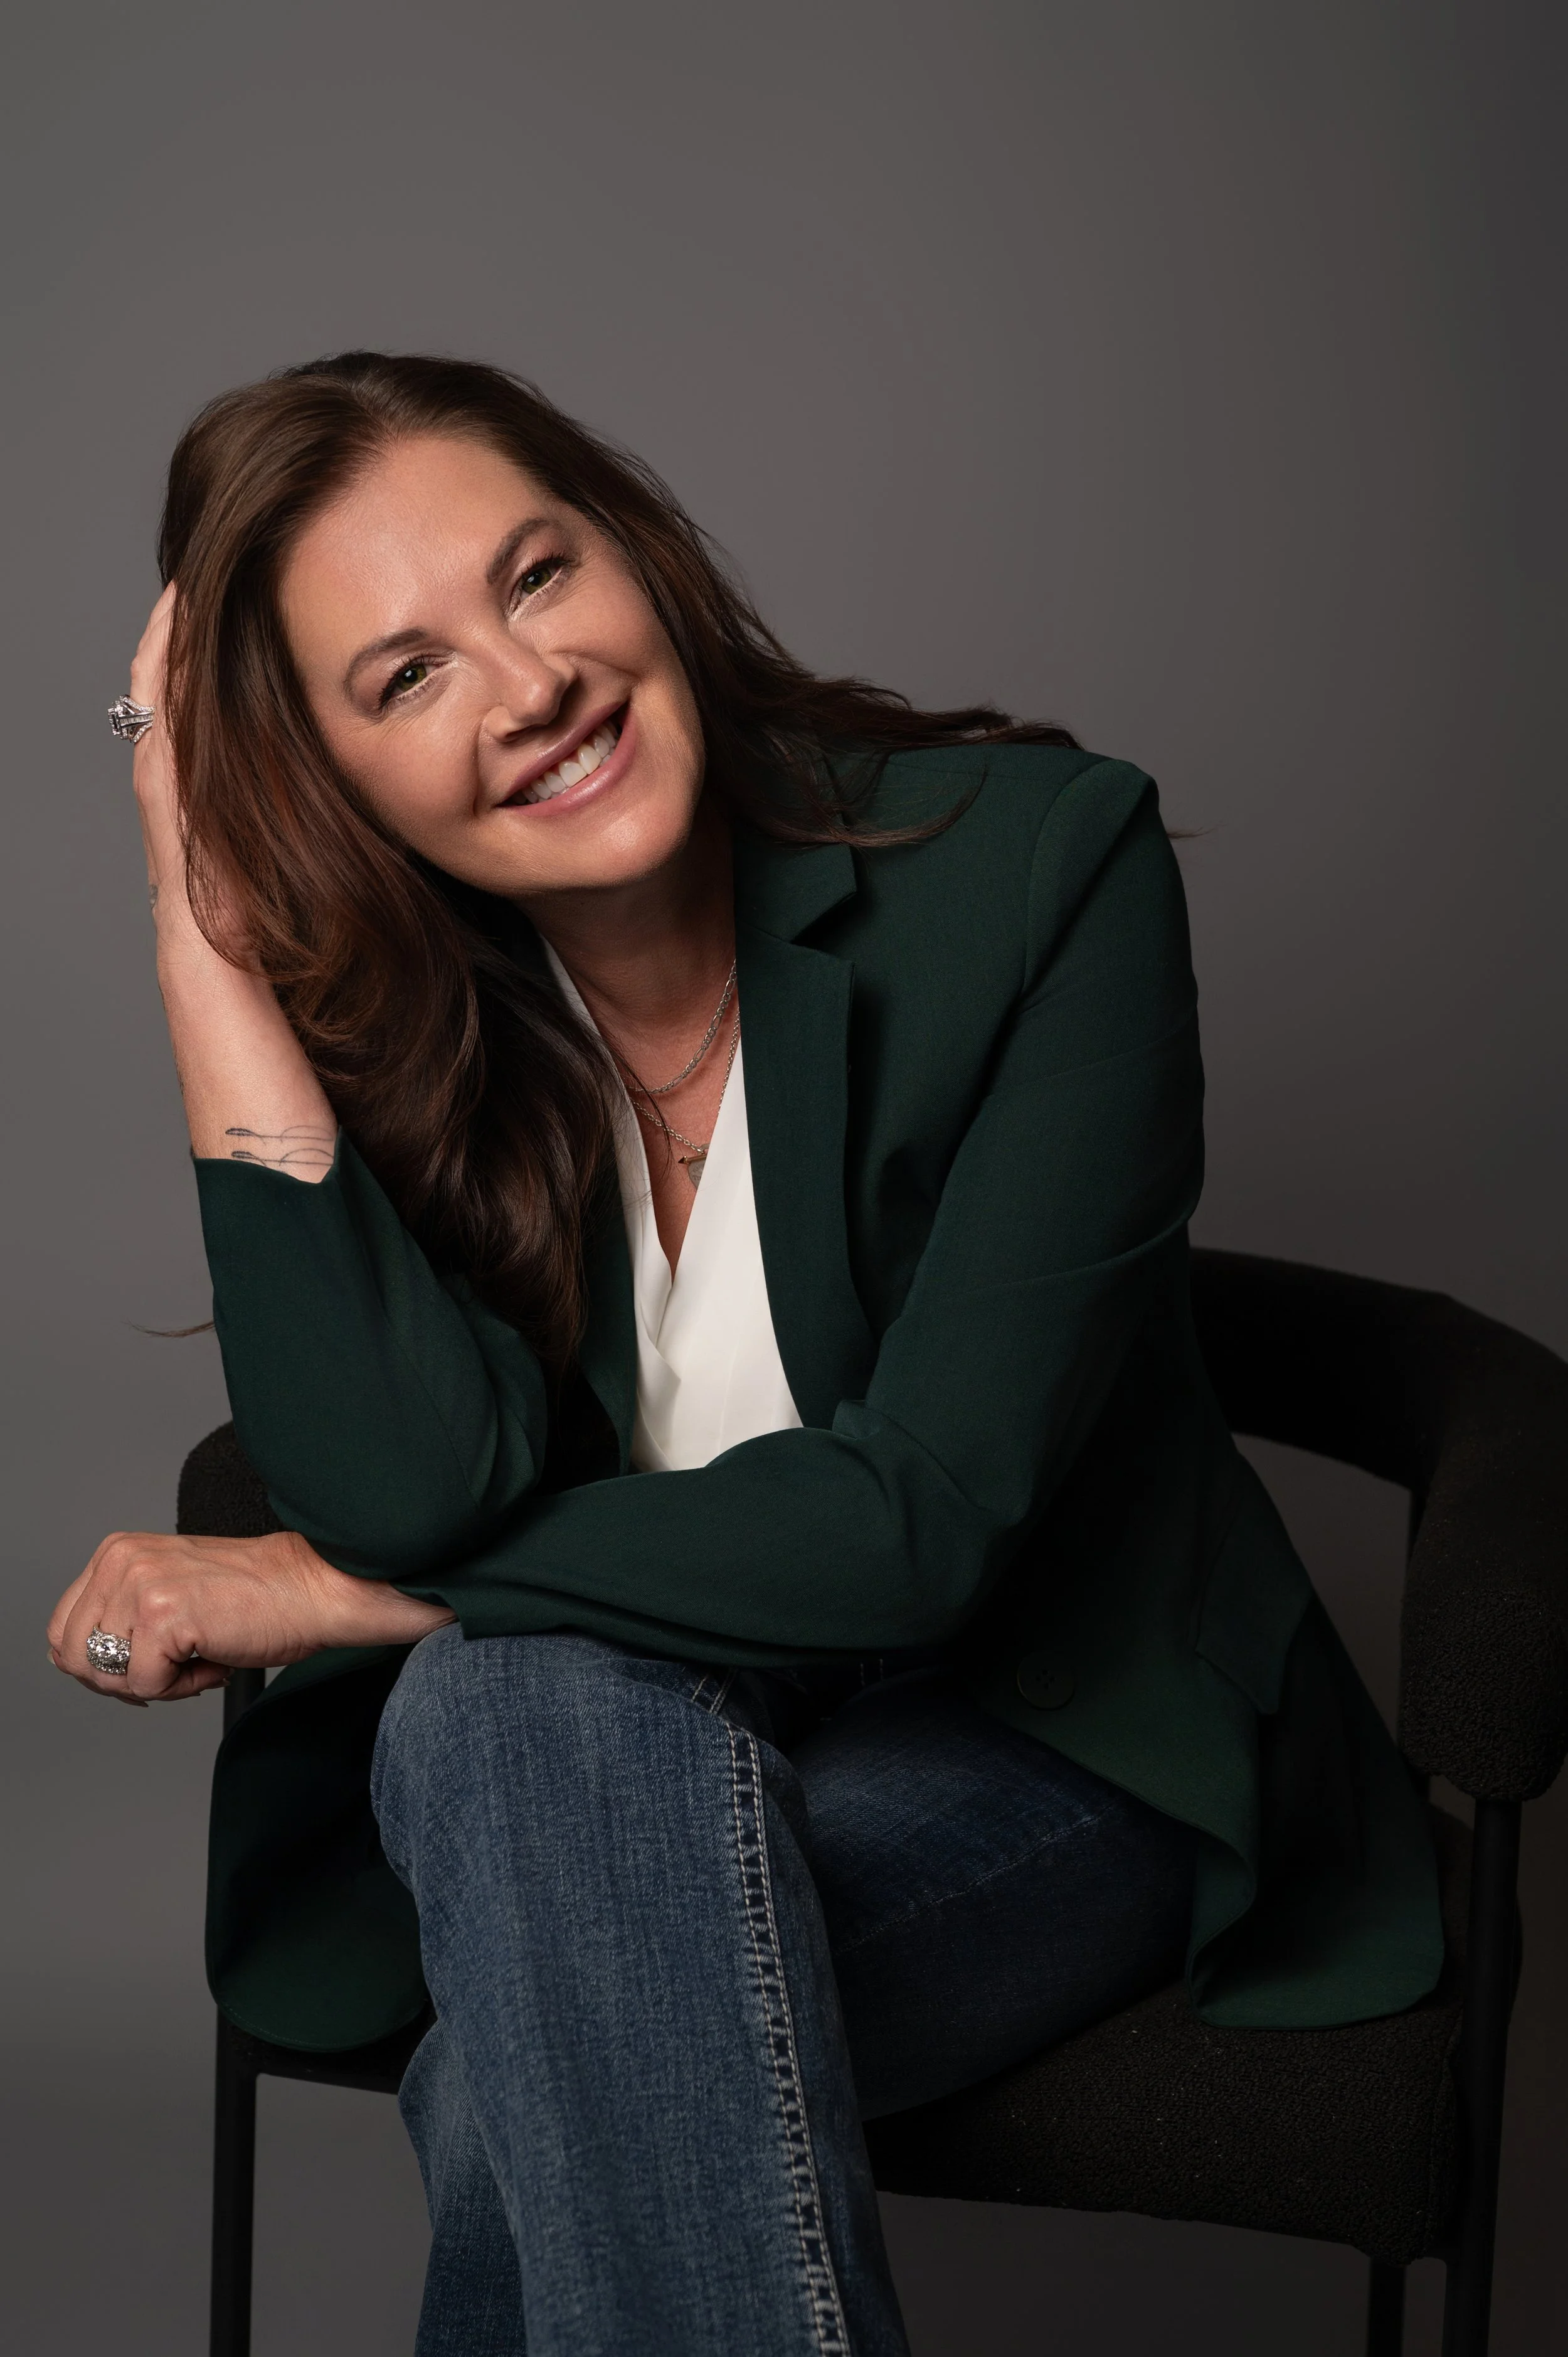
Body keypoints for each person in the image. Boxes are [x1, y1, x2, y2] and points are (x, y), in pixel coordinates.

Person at [49, 353, 1441, 2357]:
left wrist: (343, 1595)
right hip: (606, 1764)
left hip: (1049, 1735)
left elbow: (924, 1525)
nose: (527, 686)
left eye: (538, 576)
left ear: (638, 552)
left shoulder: (1040, 870)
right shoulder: (414, 1017)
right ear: (326, 783)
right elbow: (411, 1479)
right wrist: (201, 922)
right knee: (510, 1729)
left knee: (503, 1982)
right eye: (404, 678)